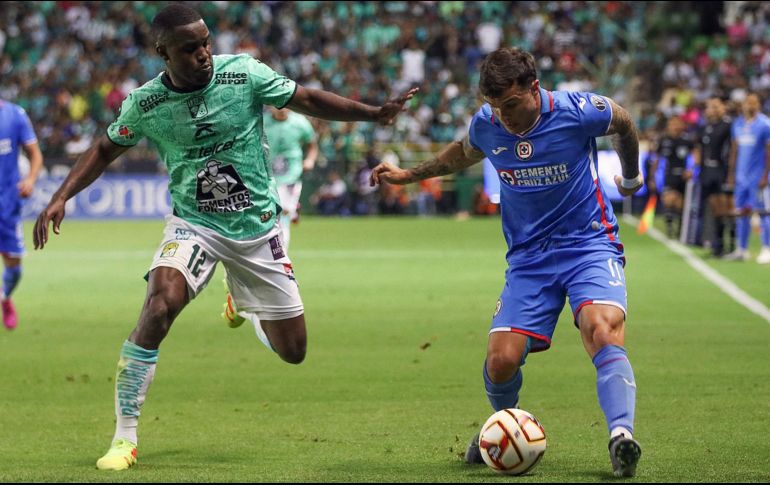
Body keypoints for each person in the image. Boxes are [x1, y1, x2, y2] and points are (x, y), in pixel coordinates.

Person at [32, 4, 417, 471]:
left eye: (205, 42)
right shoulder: (147, 103)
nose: (203, 54)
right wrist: (61, 196)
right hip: (195, 226)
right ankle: (124, 438)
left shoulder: (243, 75)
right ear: (163, 53)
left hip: (257, 229)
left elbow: (308, 99)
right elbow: (105, 147)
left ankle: (242, 302)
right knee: (159, 306)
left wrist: (375, 114)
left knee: (293, 352)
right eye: (189, 48)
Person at [370, 47, 643, 477]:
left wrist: (630, 178)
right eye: (494, 107)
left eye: (511, 105)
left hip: (588, 244)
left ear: (534, 88)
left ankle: (621, 438)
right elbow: (458, 155)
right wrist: (406, 175)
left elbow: (624, 123)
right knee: (500, 361)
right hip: (529, 259)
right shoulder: (489, 124)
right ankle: (504, 427)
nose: (504, 117)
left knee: (601, 329)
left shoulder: (578, 111)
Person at [0, 99, 43, 330]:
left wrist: (30, 179)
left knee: (14, 267)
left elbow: (35, 154)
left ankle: (5, 297)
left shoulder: (15, 115)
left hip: (7, 203)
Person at [723, 93, 770, 263]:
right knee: (741, 212)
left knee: (763, 212)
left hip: (758, 177)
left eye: (754, 102)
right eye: (748, 103)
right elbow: (735, 151)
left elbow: (768, 151)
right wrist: (731, 174)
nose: (751, 105)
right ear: (743, 105)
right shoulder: (738, 124)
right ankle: (742, 249)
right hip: (741, 177)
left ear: (759, 105)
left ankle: (767, 248)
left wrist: (766, 175)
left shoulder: (765, 124)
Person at [264, 106, 318, 248]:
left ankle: (282, 257)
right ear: (270, 106)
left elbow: (312, 144)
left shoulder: (300, 122)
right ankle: (293, 209)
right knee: (269, 216)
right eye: (277, 105)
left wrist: (310, 160)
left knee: (282, 216)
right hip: (267, 175)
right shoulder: (261, 121)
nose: (281, 109)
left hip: (291, 175)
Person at [694, 98, 734, 257]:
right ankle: (717, 244)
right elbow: (699, 148)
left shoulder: (729, 126)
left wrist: (731, 172)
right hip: (707, 171)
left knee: (725, 207)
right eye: (710, 107)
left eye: (717, 106)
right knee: (713, 207)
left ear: (724, 107)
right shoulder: (704, 127)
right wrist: (697, 167)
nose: (713, 109)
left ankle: (730, 243)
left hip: (722, 170)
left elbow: (733, 149)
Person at [651, 116, 695, 239]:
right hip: (669, 174)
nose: (675, 126)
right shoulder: (663, 140)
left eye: (677, 124)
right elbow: (656, 159)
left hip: (683, 176)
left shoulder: (687, 140)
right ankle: (670, 229)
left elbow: (696, 154)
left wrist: (691, 170)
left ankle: (681, 230)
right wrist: (652, 177)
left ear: (682, 125)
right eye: (672, 124)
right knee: (669, 200)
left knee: (681, 205)